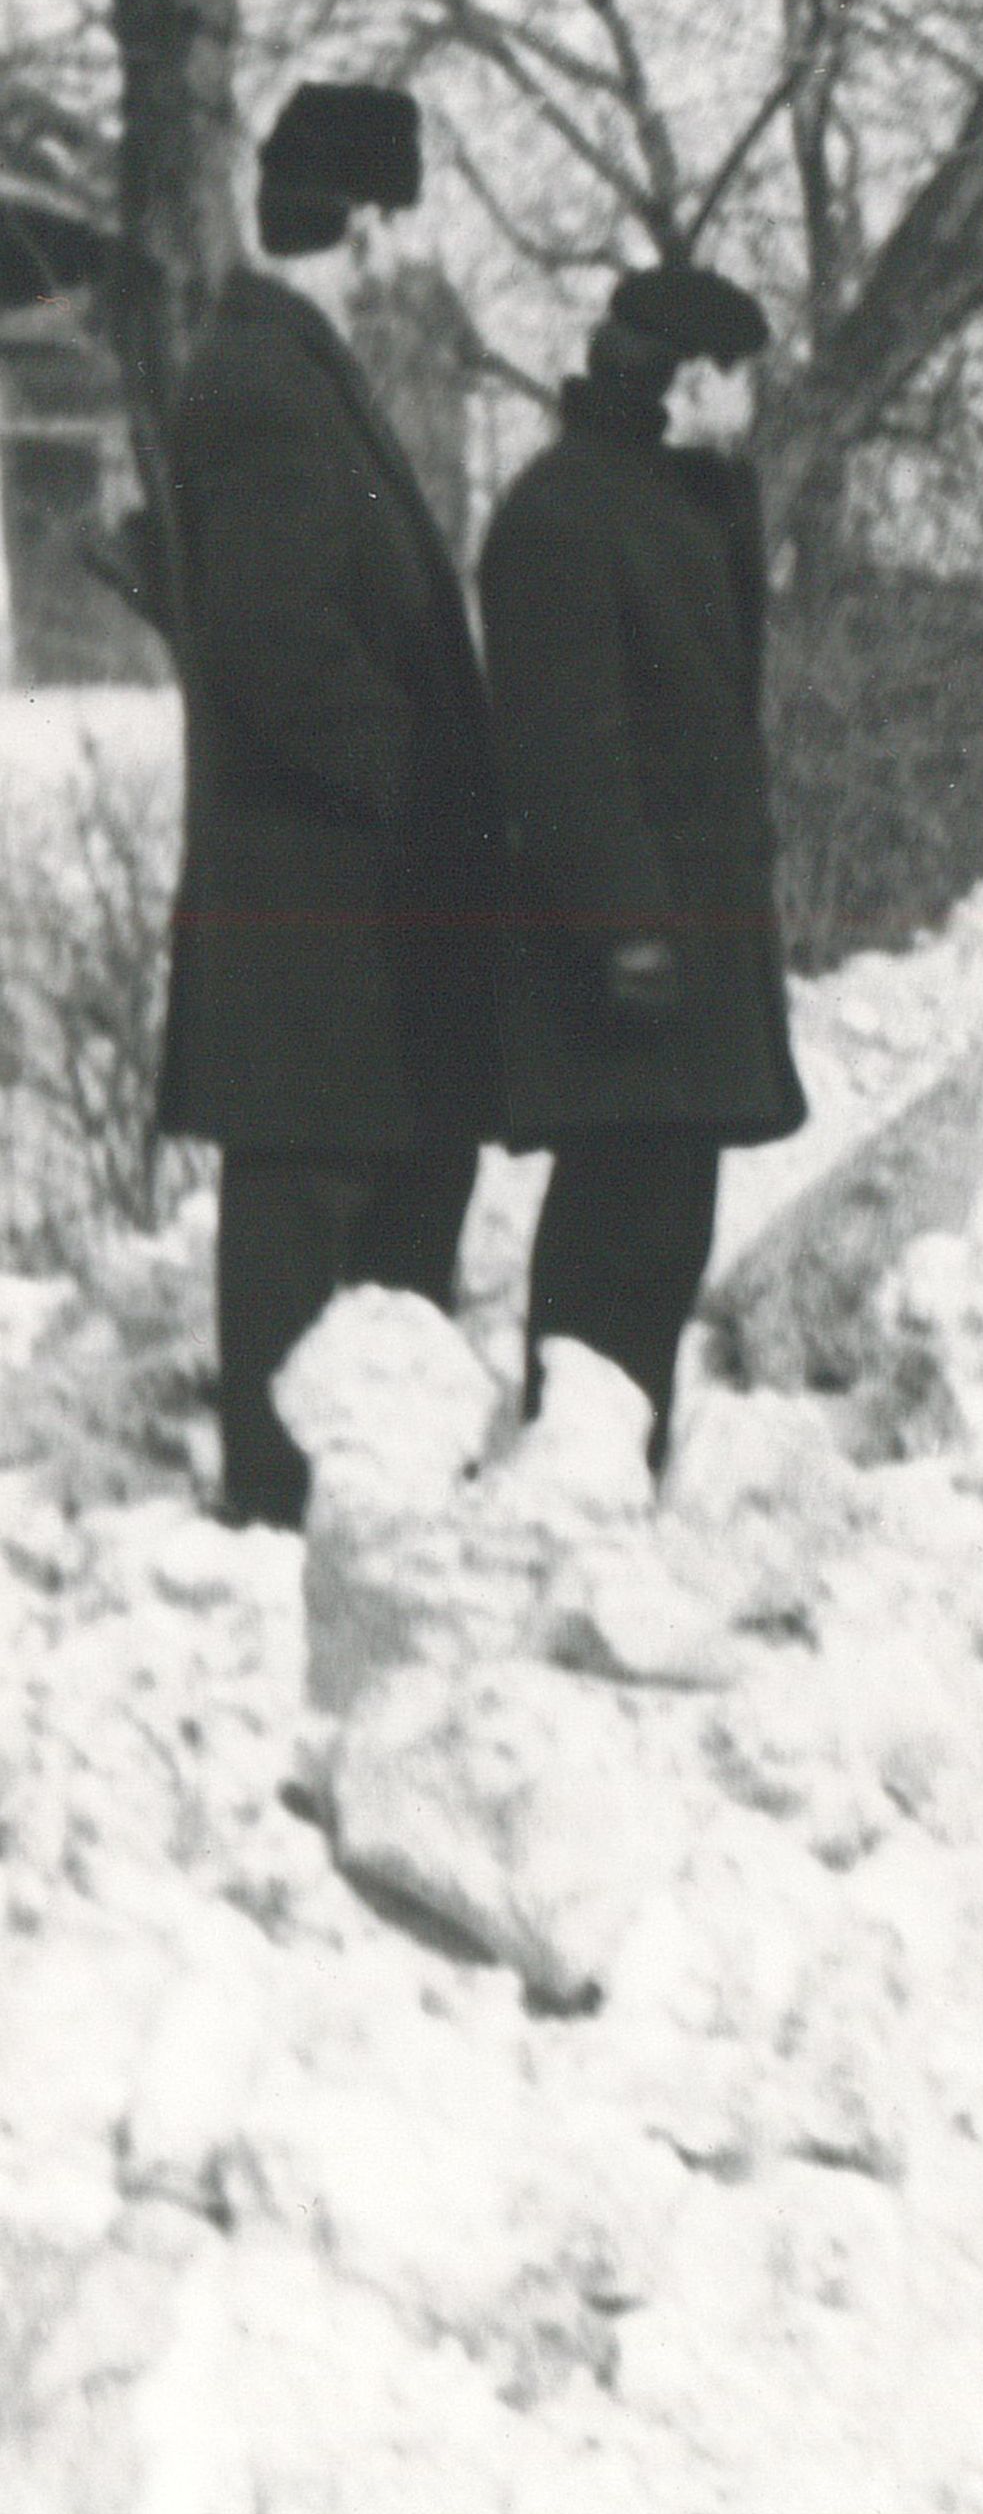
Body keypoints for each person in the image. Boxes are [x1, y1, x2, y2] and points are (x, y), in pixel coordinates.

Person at [157, 78, 499, 1529]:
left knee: (359, 1176)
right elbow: (275, 642)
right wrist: (416, 782)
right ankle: (280, 1500)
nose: (393, 263)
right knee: (305, 1199)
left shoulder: (276, 371)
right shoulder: (271, 385)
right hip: (319, 892)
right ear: (358, 227)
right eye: (390, 230)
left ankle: (335, 1482)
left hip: (331, 893)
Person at [478, 262, 804, 1470]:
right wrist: (627, 928)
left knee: (661, 1232)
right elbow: (565, 752)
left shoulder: (673, 502)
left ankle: (619, 1468)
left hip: (684, 941)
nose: (756, 408)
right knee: (615, 1236)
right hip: (628, 953)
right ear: (695, 378)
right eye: (745, 382)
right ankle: (576, 1480)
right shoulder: (564, 515)